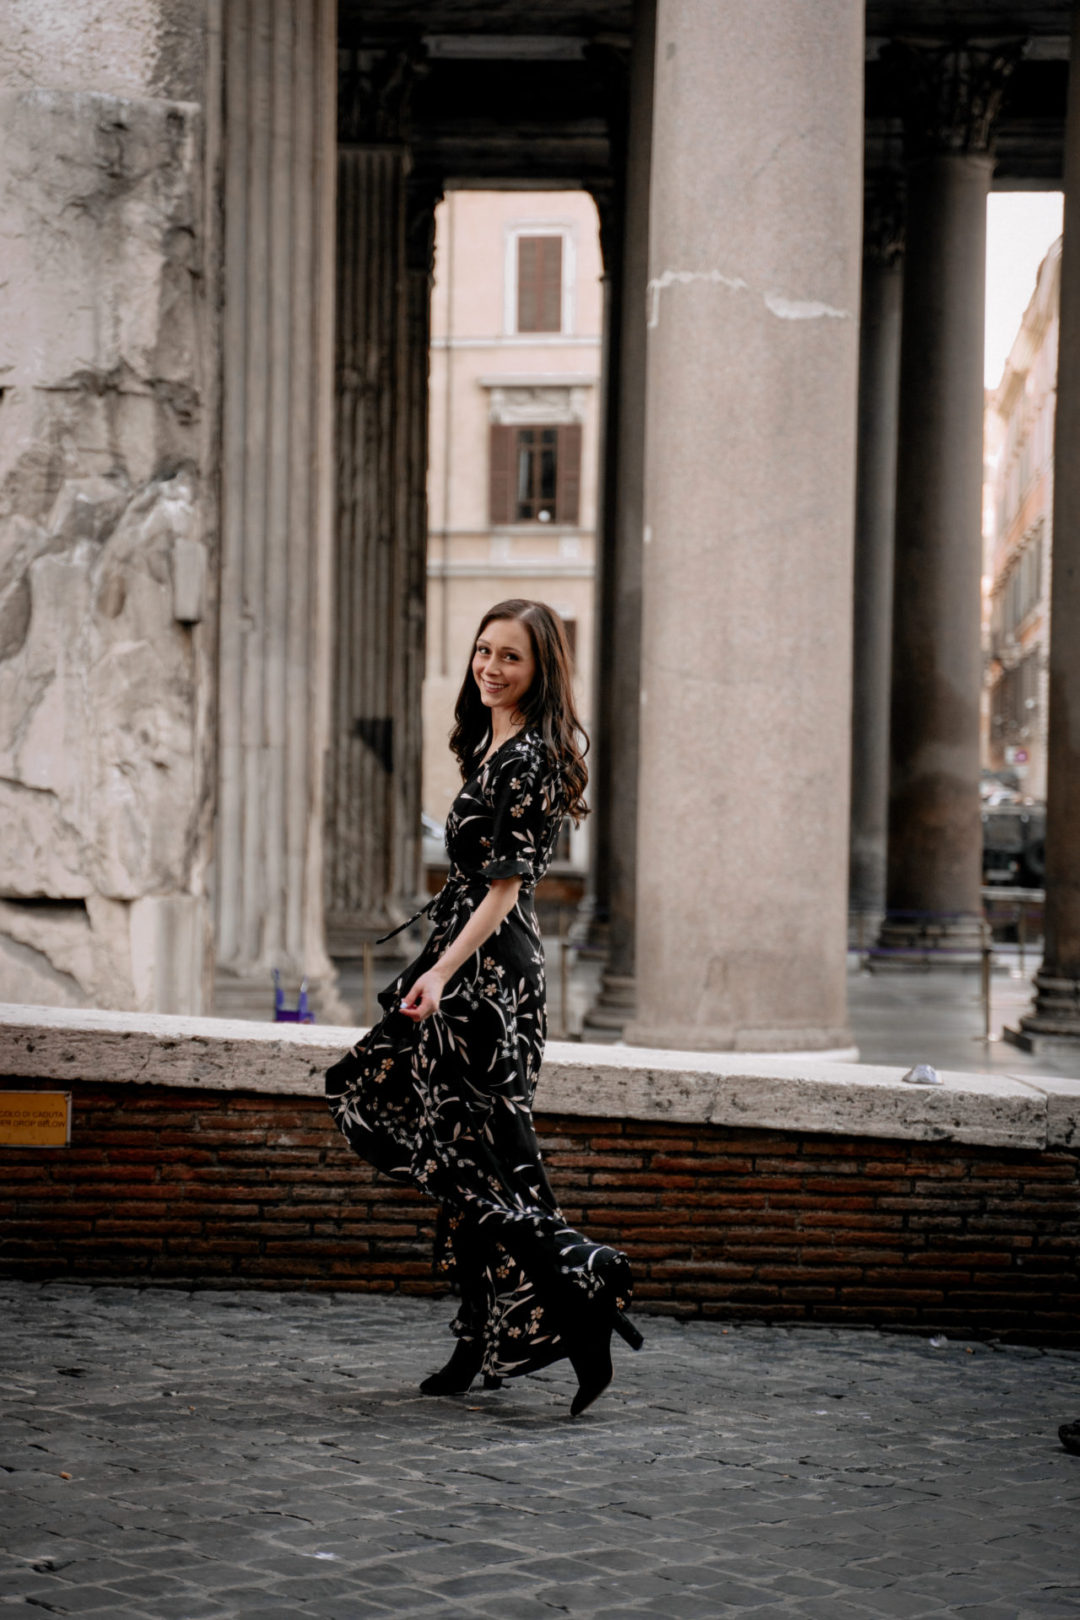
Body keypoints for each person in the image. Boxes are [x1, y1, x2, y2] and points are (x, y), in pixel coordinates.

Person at [325, 599, 642, 1416]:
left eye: (512, 658)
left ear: (540, 673)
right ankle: (496, 1327)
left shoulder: (531, 757)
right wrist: (434, 966)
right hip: (462, 968)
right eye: (484, 651)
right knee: (459, 1160)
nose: (491, 668)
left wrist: (441, 974)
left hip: (490, 983)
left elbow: (505, 889)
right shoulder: (492, 743)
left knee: (473, 1161)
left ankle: (579, 1275)